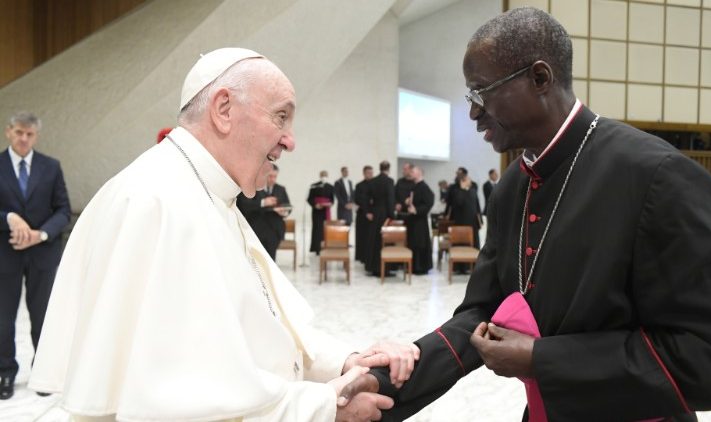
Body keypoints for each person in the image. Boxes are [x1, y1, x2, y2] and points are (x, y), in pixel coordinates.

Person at [350, 8, 711, 421]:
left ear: (540, 78)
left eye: (481, 92)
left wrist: (543, 359)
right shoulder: (512, 187)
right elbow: (483, 313)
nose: (473, 112)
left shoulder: (656, 175)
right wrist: (387, 383)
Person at [28, 48, 419, 421]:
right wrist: (323, 408)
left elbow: (266, 325)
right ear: (224, 109)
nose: (290, 140)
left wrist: (348, 361)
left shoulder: (213, 195)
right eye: (281, 117)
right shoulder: (154, 202)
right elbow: (177, 400)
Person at [0, 112, 70, 400]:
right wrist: (10, 218)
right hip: (6, 253)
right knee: (3, 319)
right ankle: (5, 372)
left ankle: (42, 373)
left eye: (29, 134)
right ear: (8, 132)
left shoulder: (51, 167)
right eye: (18, 132)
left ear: (36, 136)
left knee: (42, 316)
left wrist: (40, 235)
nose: (23, 138)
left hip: (43, 253)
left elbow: (63, 210)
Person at [236, 164, 290, 261]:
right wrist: (263, 202)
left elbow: (287, 206)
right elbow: (244, 205)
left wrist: (284, 212)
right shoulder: (253, 187)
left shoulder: (281, 189)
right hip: (256, 230)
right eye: (270, 176)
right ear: (264, 175)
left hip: (274, 231)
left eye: (275, 176)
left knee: (271, 261)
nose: (273, 179)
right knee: (256, 261)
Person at [364, 161, 395, 277]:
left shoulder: (372, 181)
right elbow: (390, 200)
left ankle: (373, 267)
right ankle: (385, 268)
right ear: (388, 169)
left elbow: (366, 198)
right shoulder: (389, 181)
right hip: (384, 215)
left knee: (374, 240)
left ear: (379, 168)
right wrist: (392, 215)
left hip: (374, 213)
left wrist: (368, 211)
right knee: (385, 241)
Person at [404, 166, 434, 275]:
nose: (410, 173)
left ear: (419, 173)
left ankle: (420, 267)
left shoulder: (424, 187)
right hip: (413, 221)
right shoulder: (415, 186)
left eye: (413, 171)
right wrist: (408, 201)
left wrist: (416, 210)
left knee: (419, 243)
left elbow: (429, 202)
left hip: (420, 222)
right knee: (413, 243)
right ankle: (413, 267)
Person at [446, 167, 482, 253]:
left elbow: (477, 204)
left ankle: (473, 263)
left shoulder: (473, 186)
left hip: (472, 220)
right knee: (460, 243)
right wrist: (462, 189)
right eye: (458, 173)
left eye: (461, 174)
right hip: (459, 219)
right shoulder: (454, 188)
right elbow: (453, 202)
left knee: (474, 242)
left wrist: (479, 219)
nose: (459, 176)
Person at [307, 170, 335, 255]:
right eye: (322, 175)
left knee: (325, 229)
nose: (324, 176)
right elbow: (309, 199)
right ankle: (317, 249)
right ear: (320, 176)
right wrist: (315, 205)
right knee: (317, 229)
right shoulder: (314, 186)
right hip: (317, 211)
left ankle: (326, 247)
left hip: (326, 211)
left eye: (325, 175)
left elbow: (332, 199)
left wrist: (330, 204)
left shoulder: (331, 187)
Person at [354, 165, 374, 263]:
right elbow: (357, 200)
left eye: (371, 173)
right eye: (368, 173)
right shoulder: (359, 186)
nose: (370, 175)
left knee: (371, 237)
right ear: (364, 173)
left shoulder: (376, 185)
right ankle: (361, 256)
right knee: (362, 236)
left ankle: (370, 256)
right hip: (362, 214)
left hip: (373, 215)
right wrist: (366, 211)